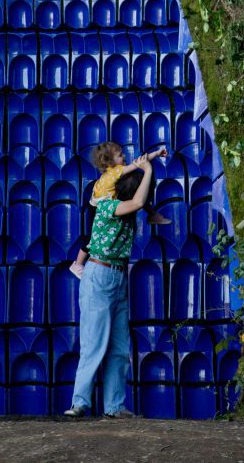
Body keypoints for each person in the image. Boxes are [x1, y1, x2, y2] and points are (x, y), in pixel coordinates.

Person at [63, 155, 153, 418]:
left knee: (119, 346)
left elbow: (143, 203)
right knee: (93, 343)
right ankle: (80, 402)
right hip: (99, 275)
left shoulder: (129, 214)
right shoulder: (108, 207)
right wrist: (146, 167)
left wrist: (146, 161)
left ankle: (114, 406)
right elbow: (138, 200)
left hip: (118, 277)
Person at [69, 141, 170, 279]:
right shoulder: (116, 171)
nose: (124, 157)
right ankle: (77, 264)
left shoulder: (109, 172)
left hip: (98, 203)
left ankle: (152, 214)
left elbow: (138, 162)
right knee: (91, 239)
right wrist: (155, 157)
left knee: (139, 191)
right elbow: (139, 163)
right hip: (97, 207)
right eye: (120, 155)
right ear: (109, 161)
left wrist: (157, 154)